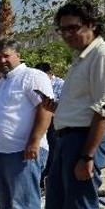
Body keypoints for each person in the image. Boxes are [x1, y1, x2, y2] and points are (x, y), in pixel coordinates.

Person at [38, 0, 105, 209]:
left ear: (92, 24)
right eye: (62, 29)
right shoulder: (81, 58)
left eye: (73, 28)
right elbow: (82, 103)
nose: (67, 34)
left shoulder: (101, 55)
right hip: (66, 140)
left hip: (84, 141)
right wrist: (57, 107)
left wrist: (88, 156)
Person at [0, 40, 53, 209]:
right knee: (5, 198)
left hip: (24, 150)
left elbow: (45, 108)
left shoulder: (33, 76)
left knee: (23, 200)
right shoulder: (1, 83)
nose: (2, 60)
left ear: (18, 54)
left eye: (6, 55)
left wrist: (34, 141)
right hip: (0, 150)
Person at [34, 62, 64, 191]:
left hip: (57, 121)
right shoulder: (37, 83)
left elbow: (62, 105)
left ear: (50, 73)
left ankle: (48, 180)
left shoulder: (61, 85)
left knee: (55, 150)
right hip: (43, 118)